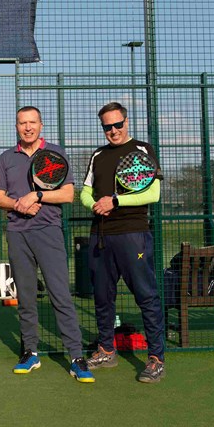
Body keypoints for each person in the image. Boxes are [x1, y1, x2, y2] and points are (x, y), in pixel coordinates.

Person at [0, 106, 94, 383]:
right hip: (17, 233)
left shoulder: (55, 153)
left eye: (32, 122)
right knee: (25, 297)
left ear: (41, 125)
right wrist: (18, 204)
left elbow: (67, 194)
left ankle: (76, 356)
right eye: (22, 123)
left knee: (60, 295)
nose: (27, 127)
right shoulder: (6, 158)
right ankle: (30, 352)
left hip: (48, 232)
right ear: (16, 126)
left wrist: (36, 195)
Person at [80, 102, 165, 383]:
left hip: (133, 234)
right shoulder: (97, 155)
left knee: (146, 296)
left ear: (126, 122)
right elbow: (84, 193)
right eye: (107, 126)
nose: (113, 131)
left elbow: (153, 193)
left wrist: (115, 201)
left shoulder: (141, 150)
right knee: (103, 297)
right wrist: (95, 205)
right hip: (101, 236)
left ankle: (156, 358)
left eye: (118, 125)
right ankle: (106, 349)